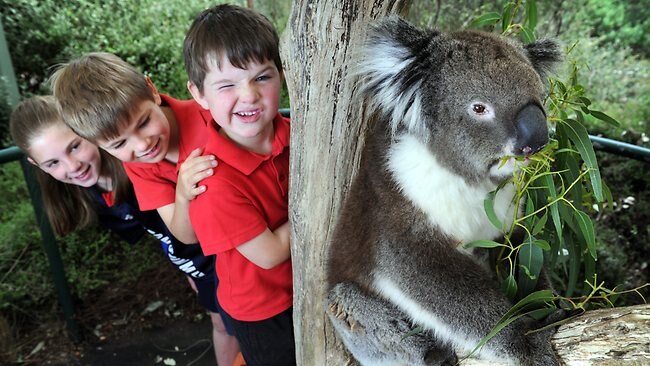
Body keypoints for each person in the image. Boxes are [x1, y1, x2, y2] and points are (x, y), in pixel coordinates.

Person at [8, 95, 239, 366]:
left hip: (229, 257)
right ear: (37, 166)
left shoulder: (143, 164)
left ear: (90, 130)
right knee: (222, 324)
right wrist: (187, 268)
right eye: (53, 163)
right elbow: (161, 232)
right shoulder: (91, 194)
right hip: (197, 266)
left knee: (244, 327)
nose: (73, 166)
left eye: (74, 147)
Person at [184, 5, 294, 366]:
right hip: (262, 310)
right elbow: (269, 253)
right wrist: (328, 206)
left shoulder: (299, 135)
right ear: (199, 94)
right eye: (227, 84)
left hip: (305, 281)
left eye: (262, 77)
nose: (248, 95)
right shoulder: (211, 179)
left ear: (282, 75)